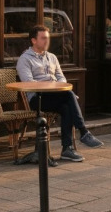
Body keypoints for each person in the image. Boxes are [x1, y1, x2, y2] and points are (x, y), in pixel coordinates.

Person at [17, 25, 104, 163]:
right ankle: (83, 132)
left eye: (48, 38)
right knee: (69, 95)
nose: (47, 41)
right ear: (33, 40)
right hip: (37, 99)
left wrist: (59, 86)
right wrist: (54, 86)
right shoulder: (25, 59)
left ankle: (67, 149)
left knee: (66, 107)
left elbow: (61, 77)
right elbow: (30, 83)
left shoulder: (52, 57)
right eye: (43, 38)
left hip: (55, 95)